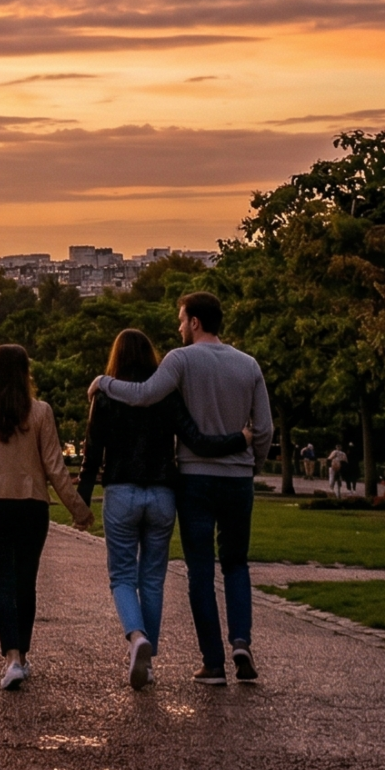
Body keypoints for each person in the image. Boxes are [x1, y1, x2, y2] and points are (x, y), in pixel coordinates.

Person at [90, 291, 274, 686]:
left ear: (194, 322)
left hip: (195, 477)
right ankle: (241, 640)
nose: (178, 326)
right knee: (237, 563)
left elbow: (141, 396)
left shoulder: (180, 360)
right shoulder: (249, 365)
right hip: (237, 478)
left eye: (180, 319)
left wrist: (103, 382)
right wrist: (252, 463)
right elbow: (265, 429)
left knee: (200, 570)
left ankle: (213, 662)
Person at [0, 343, 93, 692]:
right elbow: (55, 467)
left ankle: (12, 657)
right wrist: (78, 509)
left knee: (2, 581)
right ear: (25, 373)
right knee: (25, 582)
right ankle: (23, 656)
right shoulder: (40, 412)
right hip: (31, 505)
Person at [79, 329, 182, 689]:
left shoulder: (106, 395)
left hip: (121, 489)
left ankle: (137, 636)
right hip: (162, 491)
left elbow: (93, 452)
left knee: (122, 575)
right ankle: (148, 663)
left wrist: (82, 499)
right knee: (152, 579)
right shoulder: (167, 395)